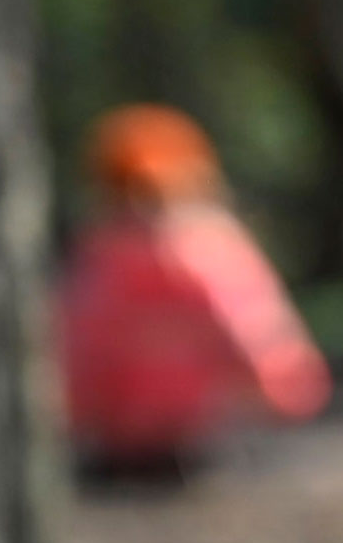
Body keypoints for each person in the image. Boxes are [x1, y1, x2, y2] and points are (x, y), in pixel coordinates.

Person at [58, 104, 330, 467]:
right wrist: (290, 393)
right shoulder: (209, 248)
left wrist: (73, 415)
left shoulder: (99, 260)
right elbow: (255, 331)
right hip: (201, 440)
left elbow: (79, 349)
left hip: (134, 443)